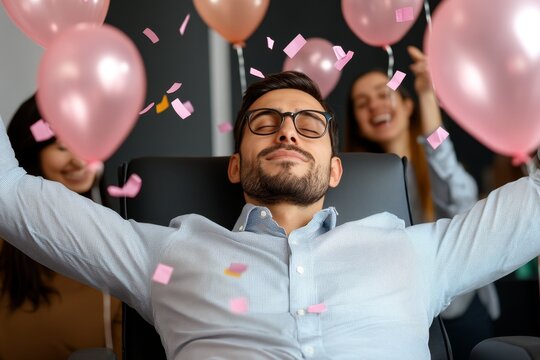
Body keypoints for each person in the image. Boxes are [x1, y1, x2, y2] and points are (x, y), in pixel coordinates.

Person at [0, 71, 539, 360]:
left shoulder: (417, 251)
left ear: (335, 171)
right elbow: (10, 194)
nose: (286, 130)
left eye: (309, 125)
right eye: (265, 123)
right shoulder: (163, 254)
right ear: (235, 166)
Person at [345, 47, 499, 359]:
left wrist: (429, 96)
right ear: (358, 123)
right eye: (362, 103)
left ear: (407, 105)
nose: (375, 104)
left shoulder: (434, 162)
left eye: (383, 93)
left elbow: (461, 201)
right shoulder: (353, 182)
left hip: (459, 309)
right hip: (393, 316)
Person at [0, 95, 123, 360]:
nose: (80, 162)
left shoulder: (115, 243)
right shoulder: (5, 244)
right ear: (31, 153)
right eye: (63, 147)